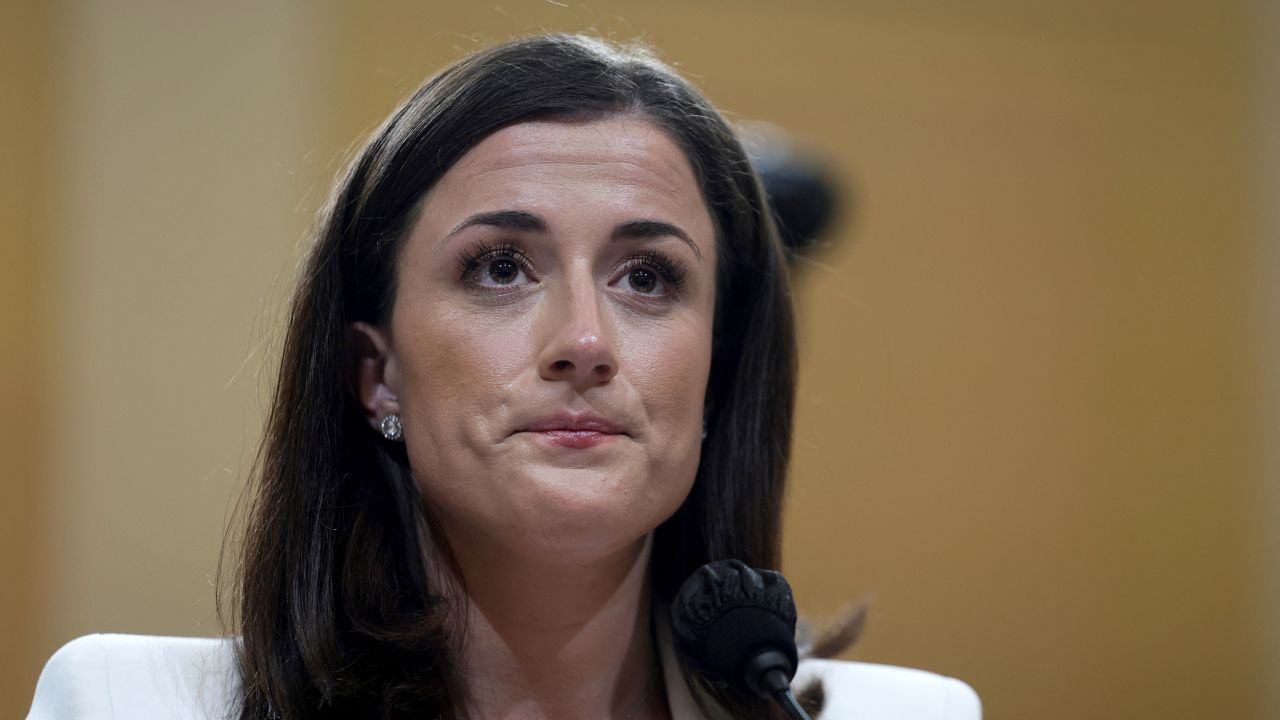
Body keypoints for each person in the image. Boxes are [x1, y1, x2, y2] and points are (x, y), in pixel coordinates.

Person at [27, 34, 980, 719]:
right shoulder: (127, 701)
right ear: (375, 372)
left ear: (719, 377)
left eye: (647, 278)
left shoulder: (905, 714)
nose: (584, 340)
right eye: (500, 267)